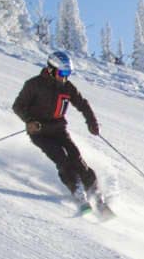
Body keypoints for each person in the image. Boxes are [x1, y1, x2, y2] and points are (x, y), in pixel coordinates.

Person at [13, 49, 103, 208]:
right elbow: (18, 106)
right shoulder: (34, 84)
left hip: (59, 130)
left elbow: (83, 105)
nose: (65, 76)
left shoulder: (68, 88)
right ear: (51, 69)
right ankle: (77, 190)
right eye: (63, 72)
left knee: (77, 158)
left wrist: (92, 123)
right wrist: (29, 121)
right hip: (40, 132)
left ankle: (95, 193)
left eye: (68, 72)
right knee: (62, 159)